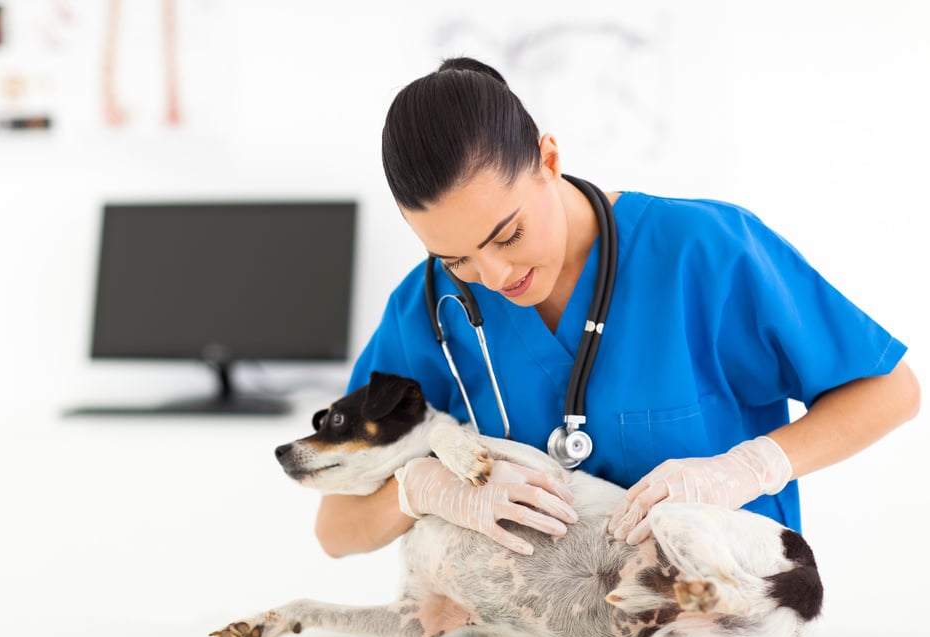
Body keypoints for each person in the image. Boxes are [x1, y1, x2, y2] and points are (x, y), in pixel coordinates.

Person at [314, 57, 920, 558]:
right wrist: (419, 491)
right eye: (456, 258)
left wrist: (750, 467)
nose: (494, 277)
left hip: (716, 636)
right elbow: (335, 529)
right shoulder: (428, 311)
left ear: (549, 160)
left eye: (508, 236)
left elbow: (892, 390)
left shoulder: (701, 251)